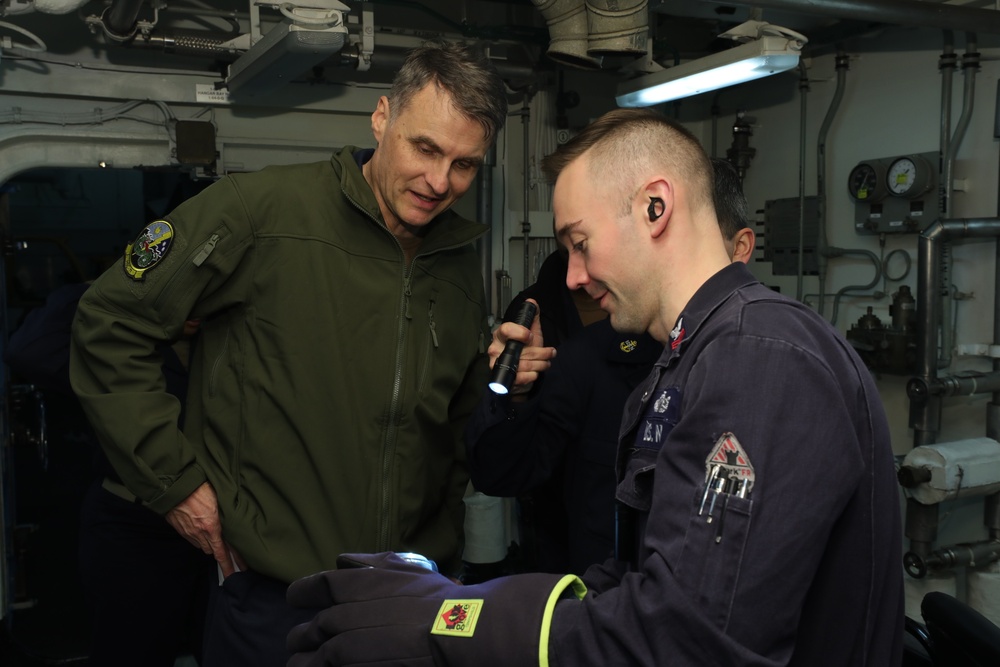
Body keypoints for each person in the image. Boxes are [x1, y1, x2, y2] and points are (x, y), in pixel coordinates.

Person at [284, 108, 903, 666]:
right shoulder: (691, 358)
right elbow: (635, 583)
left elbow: (687, 641)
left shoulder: (759, 358)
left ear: (655, 207)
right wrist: (452, 605)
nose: (574, 277)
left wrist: (450, 628)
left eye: (579, 244)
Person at [69, 40, 507, 666]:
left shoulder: (458, 265)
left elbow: (453, 432)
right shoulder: (261, 213)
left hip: (403, 599)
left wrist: (451, 559)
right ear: (382, 117)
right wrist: (174, 483)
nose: (440, 182)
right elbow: (110, 322)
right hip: (275, 599)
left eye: (465, 165)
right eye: (426, 148)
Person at [470, 158, 755, 576]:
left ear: (740, 249)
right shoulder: (589, 356)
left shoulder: (771, 359)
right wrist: (516, 392)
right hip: (601, 608)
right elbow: (502, 474)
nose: (575, 277)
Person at [6, 283, 213, 666]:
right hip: (133, 525)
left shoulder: (232, 340)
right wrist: (116, 283)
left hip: (221, 529)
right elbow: (28, 349)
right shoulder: (115, 342)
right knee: (130, 652)